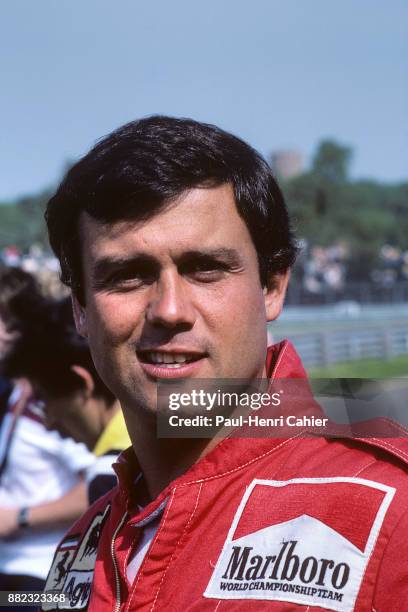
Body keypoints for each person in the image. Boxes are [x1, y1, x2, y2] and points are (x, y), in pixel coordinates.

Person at [42, 116, 408, 611]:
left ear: (273, 285)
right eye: (128, 276)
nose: (169, 310)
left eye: (205, 269)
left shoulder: (389, 509)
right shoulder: (78, 552)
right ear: (81, 308)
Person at [0, 266, 95, 605]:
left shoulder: (57, 400)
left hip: (41, 577)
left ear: (18, 328)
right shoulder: (16, 394)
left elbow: (102, 484)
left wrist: (19, 518)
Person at [2, 296, 131, 503]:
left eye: (45, 399)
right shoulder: (179, 418)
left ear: (82, 383)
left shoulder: (110, 478)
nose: (49, 422)